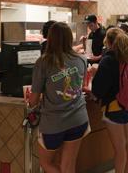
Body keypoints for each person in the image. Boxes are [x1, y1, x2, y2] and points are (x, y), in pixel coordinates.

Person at [29, 22, 89, 173]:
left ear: (50, 38)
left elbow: (33, 100)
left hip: (54, 123)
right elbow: (79, 87)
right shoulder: (81, 59)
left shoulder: (43, 62)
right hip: (78, 119)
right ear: (70, 38)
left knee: (45, 162)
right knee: (68, 166)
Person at [92, 28, 128, 173]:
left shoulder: (108, 60)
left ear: (109, 42)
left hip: (114, 107)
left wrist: (94, 75)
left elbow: (97, 91)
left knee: (119, 147)